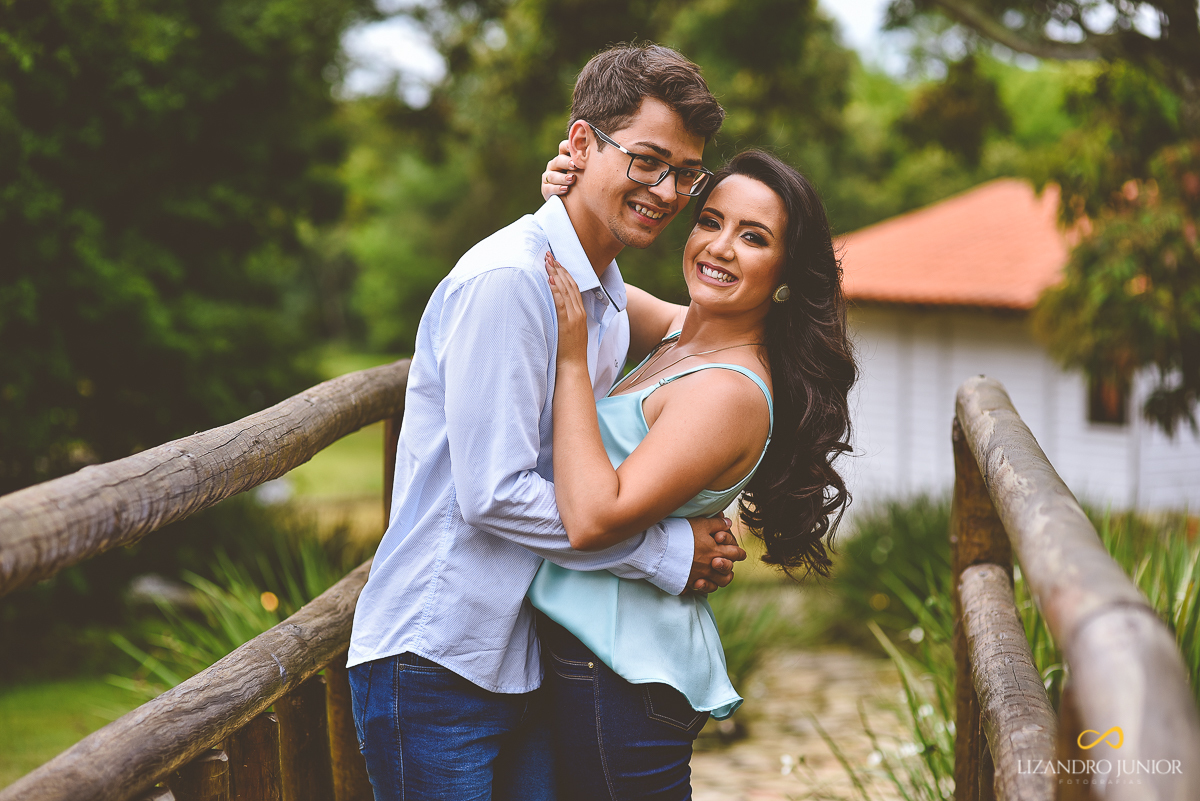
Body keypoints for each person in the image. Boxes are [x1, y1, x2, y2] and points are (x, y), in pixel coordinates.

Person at [345, 43, 749, 801]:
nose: (665, 190)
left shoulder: (600, 290)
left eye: (684, 173)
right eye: (647, 160)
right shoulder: (511, 281)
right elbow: (493, 493)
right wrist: (666, 553)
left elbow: (708, 334)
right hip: (437, 660)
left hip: (517, 656)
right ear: (580, 143)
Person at [531, 148, 857, 799]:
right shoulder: (684, 333)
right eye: (711, 220)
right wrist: (568, 197)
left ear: (787, 272)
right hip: (597, 657)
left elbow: (595, 516)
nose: (721, 246)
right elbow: (580, 275)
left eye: (754, 236)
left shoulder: (726, 390)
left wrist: (573, 363)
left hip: (620, 674)